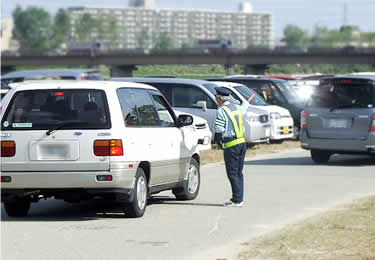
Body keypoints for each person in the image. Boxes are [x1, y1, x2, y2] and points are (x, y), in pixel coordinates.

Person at [214, 87, 247, 207]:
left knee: (232, 173)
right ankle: (238, 198)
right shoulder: (237, 108)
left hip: (231, 144)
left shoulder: (222, 111)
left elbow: (219, 129)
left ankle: (237, 200)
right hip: (242, 143)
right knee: (239, 173)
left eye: (216, 98)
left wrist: (218, 142)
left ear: (219, 99)